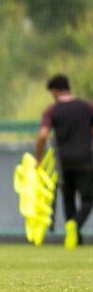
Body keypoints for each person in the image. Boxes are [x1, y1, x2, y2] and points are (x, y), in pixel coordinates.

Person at [35, 73, 93, 249]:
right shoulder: (87, 107)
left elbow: (43, 134)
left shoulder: (52, 110)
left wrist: (38, 159)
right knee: (88, 198)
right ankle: (75, 225)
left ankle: (74, 236)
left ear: (55, 91)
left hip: (63, 159)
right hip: (85, 158)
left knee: (68, 198)